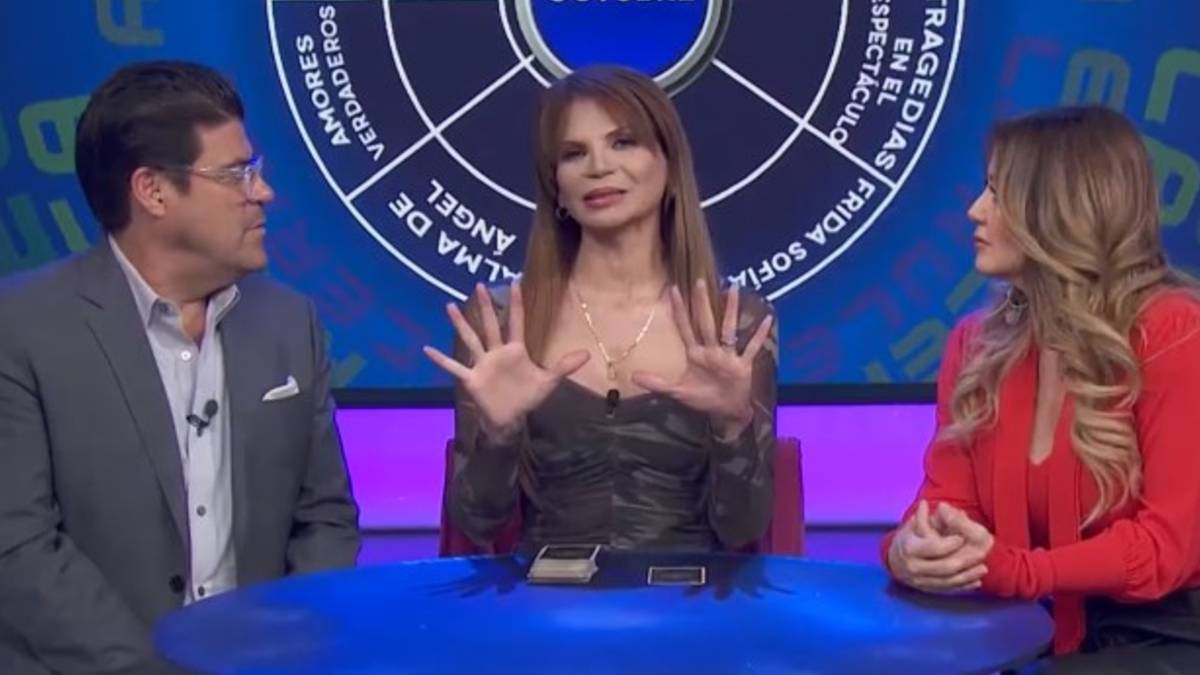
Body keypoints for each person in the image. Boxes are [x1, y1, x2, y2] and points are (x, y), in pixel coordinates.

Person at [0, 60, 360, 673]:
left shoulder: (290, 325)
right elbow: (19, 547)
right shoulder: (22, 328)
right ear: (154, 191)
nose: (263, 192)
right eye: (236, 174)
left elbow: (324, 517)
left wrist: (283, 653)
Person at [884, 105, 1200, 671]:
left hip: (1164, 637)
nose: (975, 210)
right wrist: (912, 548)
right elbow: (946, 503)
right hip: (1030, 629)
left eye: (998, 194)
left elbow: (1166, 549)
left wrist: (1024, 572)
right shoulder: (975, 347)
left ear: (1060, 209)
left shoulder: (1173, 333)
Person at [424, 65, 777, 553]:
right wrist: (499, 435)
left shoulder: (735, 323)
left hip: (691, 595)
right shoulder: (502, 323)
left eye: (623, 143)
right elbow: (479, 525)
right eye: (574, 153)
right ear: (557, 186)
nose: (598, 167)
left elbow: (744, 530)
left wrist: (733, 427)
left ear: (670, 166)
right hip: (542, 593)